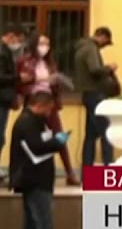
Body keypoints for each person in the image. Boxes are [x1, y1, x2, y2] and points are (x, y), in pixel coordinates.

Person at [8, 90, 75, 229]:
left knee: (30, 225)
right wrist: (58, 142)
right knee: (45, 224)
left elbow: (41, 141)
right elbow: (36, 147)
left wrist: (54, 139)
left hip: (35, 179)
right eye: (48, 109)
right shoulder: (27, 123)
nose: (49, 113)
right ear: (39, 105)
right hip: (34, 180)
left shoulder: (35, 121)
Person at [16, 35, 78, 185]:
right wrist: (40, 80)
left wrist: (57, 82)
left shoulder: (49, 63)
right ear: (34, 44)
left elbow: (55, 85)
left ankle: (69, 172)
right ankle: (20, 172)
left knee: (58, 135)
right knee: (28, 138)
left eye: (48, 44)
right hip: (33, 102)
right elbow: (19, 83)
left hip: (49, 103)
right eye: (42, 43)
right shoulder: (24, 61)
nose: (45, 47)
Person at [73, 26, 116, 175]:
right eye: (106, 42)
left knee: (90, 135)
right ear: (102, 36)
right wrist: (109, 68)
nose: (104, 45)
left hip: (87, 94)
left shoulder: (81, 48)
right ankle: (109, 168)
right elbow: (95, 69)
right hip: (95, 94)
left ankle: (87, 172)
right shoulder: (91, 48)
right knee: (106, 132)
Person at [0, 24, 28, 186]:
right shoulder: (2, 52)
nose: (19, 44)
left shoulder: (5, 51)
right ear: (11, 36)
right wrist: (18, 78)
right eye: (19, 39)